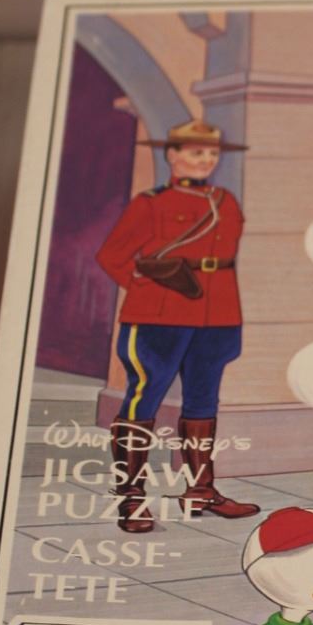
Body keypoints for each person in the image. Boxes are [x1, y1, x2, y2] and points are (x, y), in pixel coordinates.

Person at [96, 118, 260, 532]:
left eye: (211, 153)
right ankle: (131, 498)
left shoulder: (225, 201)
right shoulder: (150, 203)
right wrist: (147, 287)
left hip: (216, 315)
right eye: (195, 152)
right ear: (172, 155)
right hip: (159, 316)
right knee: (144, 399)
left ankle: (200, 490)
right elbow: (112, 256)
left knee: (203, 402)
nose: (205, 160)